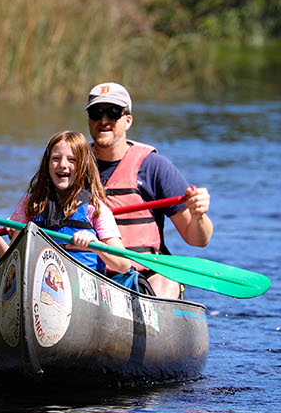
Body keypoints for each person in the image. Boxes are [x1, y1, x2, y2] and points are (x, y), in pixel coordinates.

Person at [84, 82, 211, 299]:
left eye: (113, 113)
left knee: (165, 282)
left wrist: (199, 215)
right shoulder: (72, 165)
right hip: (87, 274)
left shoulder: (154, 167)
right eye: (96, 113)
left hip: (144, 278)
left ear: (127, 120)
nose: (104, 121)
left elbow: (197, 239)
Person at [0, 130, 135, 275]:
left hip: (84, 286)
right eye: (56, 158)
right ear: (47, 164)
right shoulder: (30, 205)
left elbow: (123, 265)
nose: (62, 165)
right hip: (41, 283)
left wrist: (95, 245)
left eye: (72, 160)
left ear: (83, 166)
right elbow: (11, 258)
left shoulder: (96, 209)